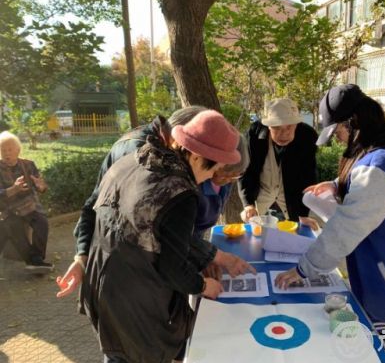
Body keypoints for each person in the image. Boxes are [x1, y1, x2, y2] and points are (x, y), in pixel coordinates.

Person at [275, 84, 385, 363]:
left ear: (352, 122)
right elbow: (380, 191)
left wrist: (303, 268)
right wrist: (334, 185)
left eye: (339, 132)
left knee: (380, 358)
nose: (340, 141)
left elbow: (346, 228)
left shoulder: (383, 164)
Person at [81, 110, 256, 363]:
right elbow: (173, 266)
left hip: (102, 287)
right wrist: (202, 285)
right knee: (142, 358)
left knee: (117, 356)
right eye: (215, 167)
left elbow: (153, 232)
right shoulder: (180, 193)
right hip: (137, 298)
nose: (213, 177)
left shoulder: (133, 161)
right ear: (196, 155)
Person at [57, 107, 251, 297]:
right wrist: (82, 256)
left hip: (123, 284)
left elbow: (173, 234)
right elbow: (97, 206)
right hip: (130, 288)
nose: (211, 177)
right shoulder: (148, 163)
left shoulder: (163, 159)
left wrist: (202, 257)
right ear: (191, 148)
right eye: (213, 170)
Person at [238, 98, 319, 229]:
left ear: (296, 124)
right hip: (261, 201)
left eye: (289, 127)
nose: (284, 134)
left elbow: (308, 176)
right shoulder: (254, 135)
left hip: (291, 201)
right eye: (277, 128)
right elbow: (247, 171)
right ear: (268, 126)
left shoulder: (307, 136)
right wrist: (248, 204)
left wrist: (303, 214)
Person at [0, 131, 53, 272]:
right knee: (14, 226)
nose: (6, 153)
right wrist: (14, 189)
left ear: (18, 150)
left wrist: (42, 186)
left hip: (29, 205)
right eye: (3, 150)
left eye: (10, 149)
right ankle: (34, 262)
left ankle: (37, 259)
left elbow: (40, 186)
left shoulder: (28, 165)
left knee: (42, 223)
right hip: (8, 209)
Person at [194, 135, 250, 238]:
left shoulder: (226, 183)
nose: (228, 180)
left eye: (235, 175)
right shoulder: (195, 187)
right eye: (225, 173)